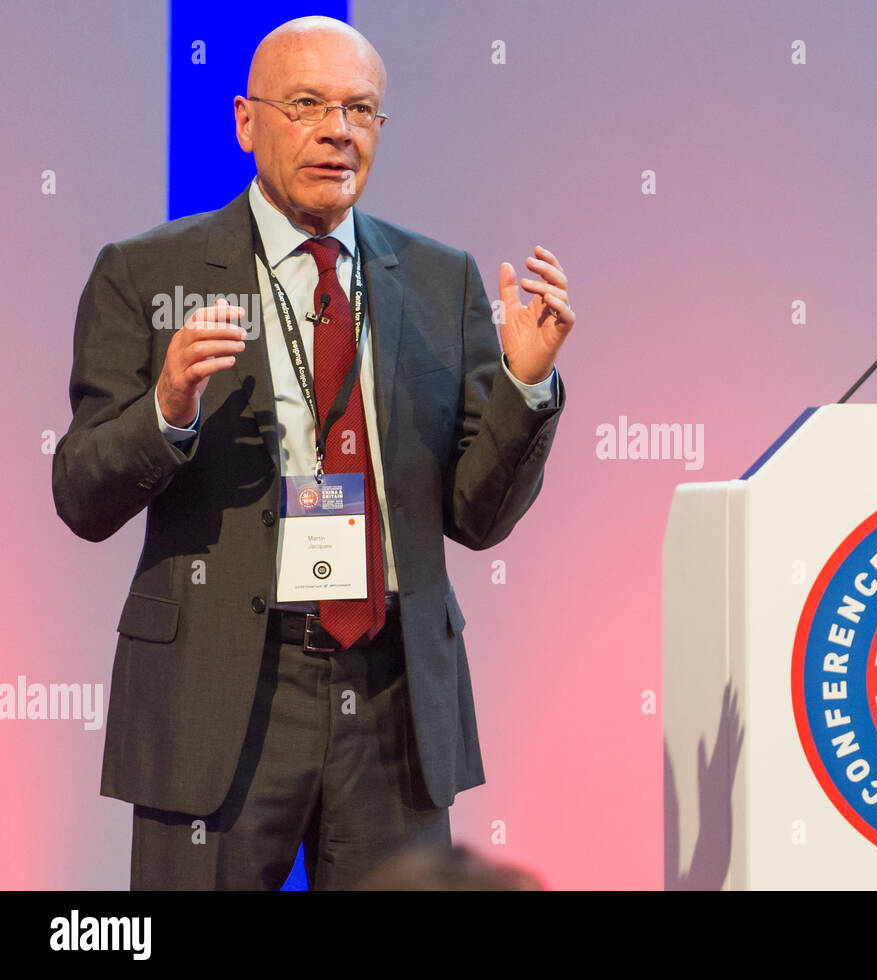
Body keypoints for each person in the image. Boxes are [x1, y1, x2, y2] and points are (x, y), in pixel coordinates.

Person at [51, 15, 572, 889]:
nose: (338, 130)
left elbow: (477, 519)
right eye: (308, 104)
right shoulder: (147, 272)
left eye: (361, 110)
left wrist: (523, 385)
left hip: (391, 694)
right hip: (221, 689)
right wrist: (168, 407)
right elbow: (80, 494)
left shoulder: (441, 280)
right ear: (247, 121)